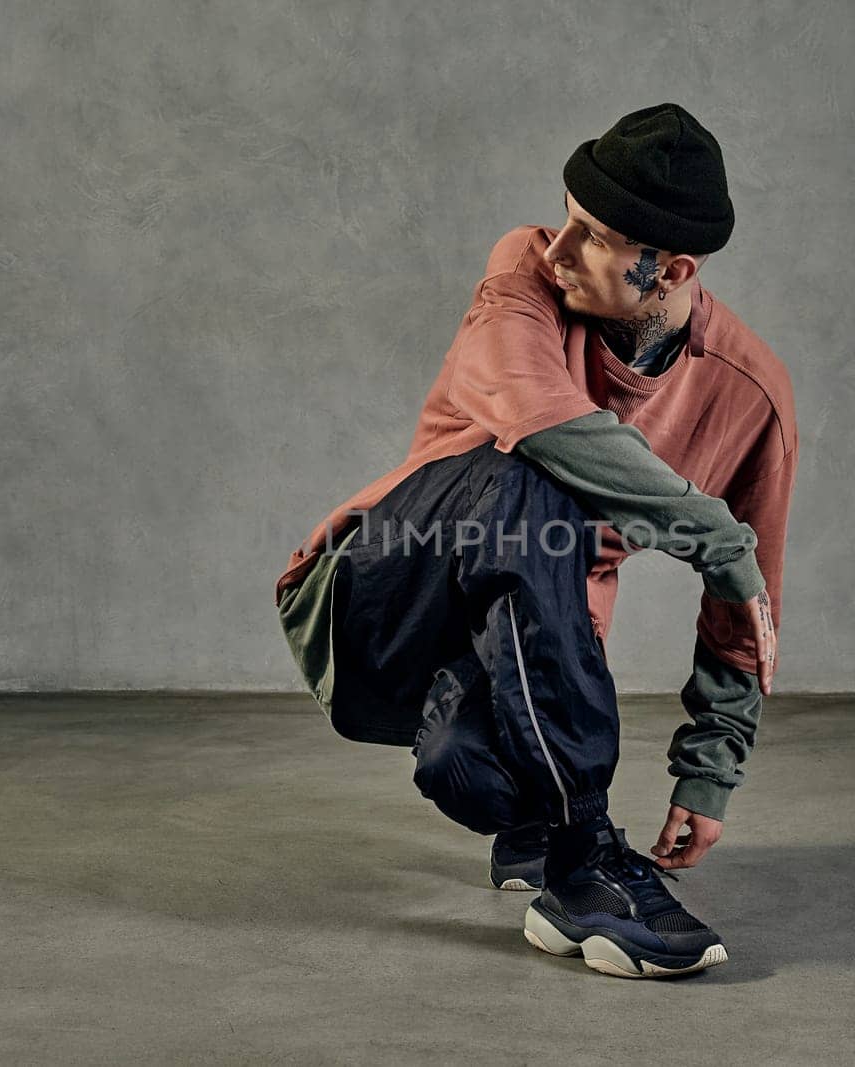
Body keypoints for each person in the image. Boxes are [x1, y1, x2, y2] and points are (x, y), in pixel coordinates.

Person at [276, 102, 798, 979]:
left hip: (521, 644)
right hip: (376, 595)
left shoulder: (751, 394)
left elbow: (748, 611)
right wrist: (714, 533)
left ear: (668, 270)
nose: (557, 247)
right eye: (565, 216)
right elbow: (542, 419)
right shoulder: (520, 275)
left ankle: (544, 832)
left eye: (590, 237)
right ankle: (589, 852)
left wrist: (709, 773)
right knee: (529, 475)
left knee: (461, 764)